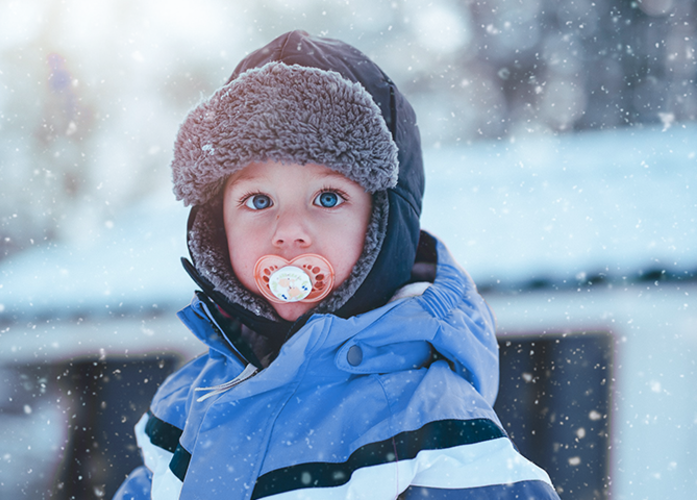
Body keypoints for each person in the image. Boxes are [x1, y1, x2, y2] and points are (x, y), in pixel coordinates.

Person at [113, 30, 560, 500]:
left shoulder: (429, 422)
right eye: (258, 199)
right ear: (215, 225)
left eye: (327, 198)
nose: (288, 230)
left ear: (382, 227)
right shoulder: (188, 401)